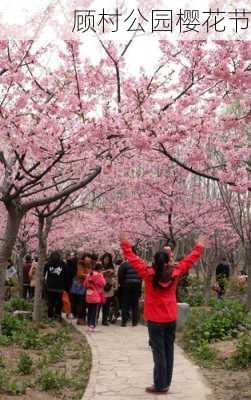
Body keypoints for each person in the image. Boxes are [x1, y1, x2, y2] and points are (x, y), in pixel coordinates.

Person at [120, 231, 207, 395]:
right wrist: (199, 245)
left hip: (154, 318)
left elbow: (132, 258)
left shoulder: (147, 273)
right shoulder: (176, 271)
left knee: (158, 351)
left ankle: (160, 385)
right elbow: (190, 259)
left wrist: (125, 243)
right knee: (168, 350)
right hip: (170, 317)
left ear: (154, 261)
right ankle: (165, 382)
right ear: (168, 261)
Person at [118, 250, 142, 327]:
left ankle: (124, 321)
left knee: (125, 303)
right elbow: (141, 275)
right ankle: (135, 322)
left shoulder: (124, 264)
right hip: (137, 285)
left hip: (126, 286)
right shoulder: (139, 264)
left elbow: (120, 275)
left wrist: (122, 285)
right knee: (135, 304)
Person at [70, 253, 92, 325]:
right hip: (80, 286)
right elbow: (80, 274)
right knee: (81, 303)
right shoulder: (80, 265)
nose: (88, 262)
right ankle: (80, 319)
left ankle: (82, 319)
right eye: (87, 260)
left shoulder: (89, 266)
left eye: (89, 261)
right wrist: (89, 275)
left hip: (86, 286)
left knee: (84, 304)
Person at [44, 251, 67, 321]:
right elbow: (66, 275)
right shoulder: (63, 264)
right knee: (59, 302)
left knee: (50, 302)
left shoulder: (48, 264)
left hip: (50, 286)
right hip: (59, 287)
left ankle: (50, 316)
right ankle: (57, 315)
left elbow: (44, 273)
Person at [85, 264, 105, 331]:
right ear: (99, 269)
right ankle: (92, 325)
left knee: (89, 310)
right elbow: (103, 283)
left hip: (89, 294)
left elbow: (84, 284)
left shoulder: (88, 274)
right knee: (95, 311)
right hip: (96, 295)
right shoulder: (99, 275)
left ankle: (88, 324)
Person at [101, 252, 115, 326]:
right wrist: (104, 272)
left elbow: (113, 274)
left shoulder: (112, 266)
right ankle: (95, 318)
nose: (106, 260)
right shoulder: (100, 265)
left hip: (108, 287)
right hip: (101, 286)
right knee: (100, 304)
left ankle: (104, 320)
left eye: (108, 259)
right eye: (105, 259)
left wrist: (110, 272)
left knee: (106, 304)